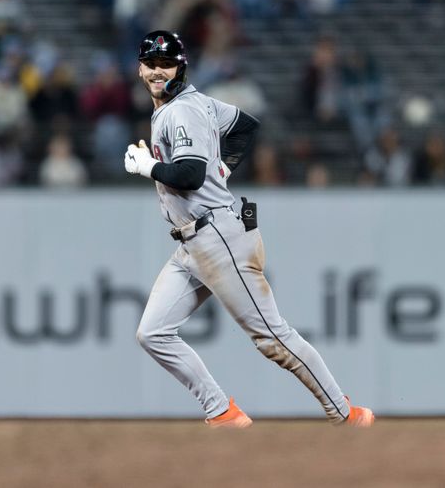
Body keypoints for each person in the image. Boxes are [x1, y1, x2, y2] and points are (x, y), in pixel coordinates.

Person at [123, 30, 373, 427]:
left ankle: (347, 414)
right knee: (153, 333)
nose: (157, 71)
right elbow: (244, 125)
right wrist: (223, 167)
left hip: (217, 236)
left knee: (272, 339)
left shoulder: (181, 110)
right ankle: (221, 411)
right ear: (139, 68)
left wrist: (147, 167)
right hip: (193, 242)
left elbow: (189, 174)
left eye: (165, 63)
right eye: (150, 64)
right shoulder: (192, 103)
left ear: (180, 66)